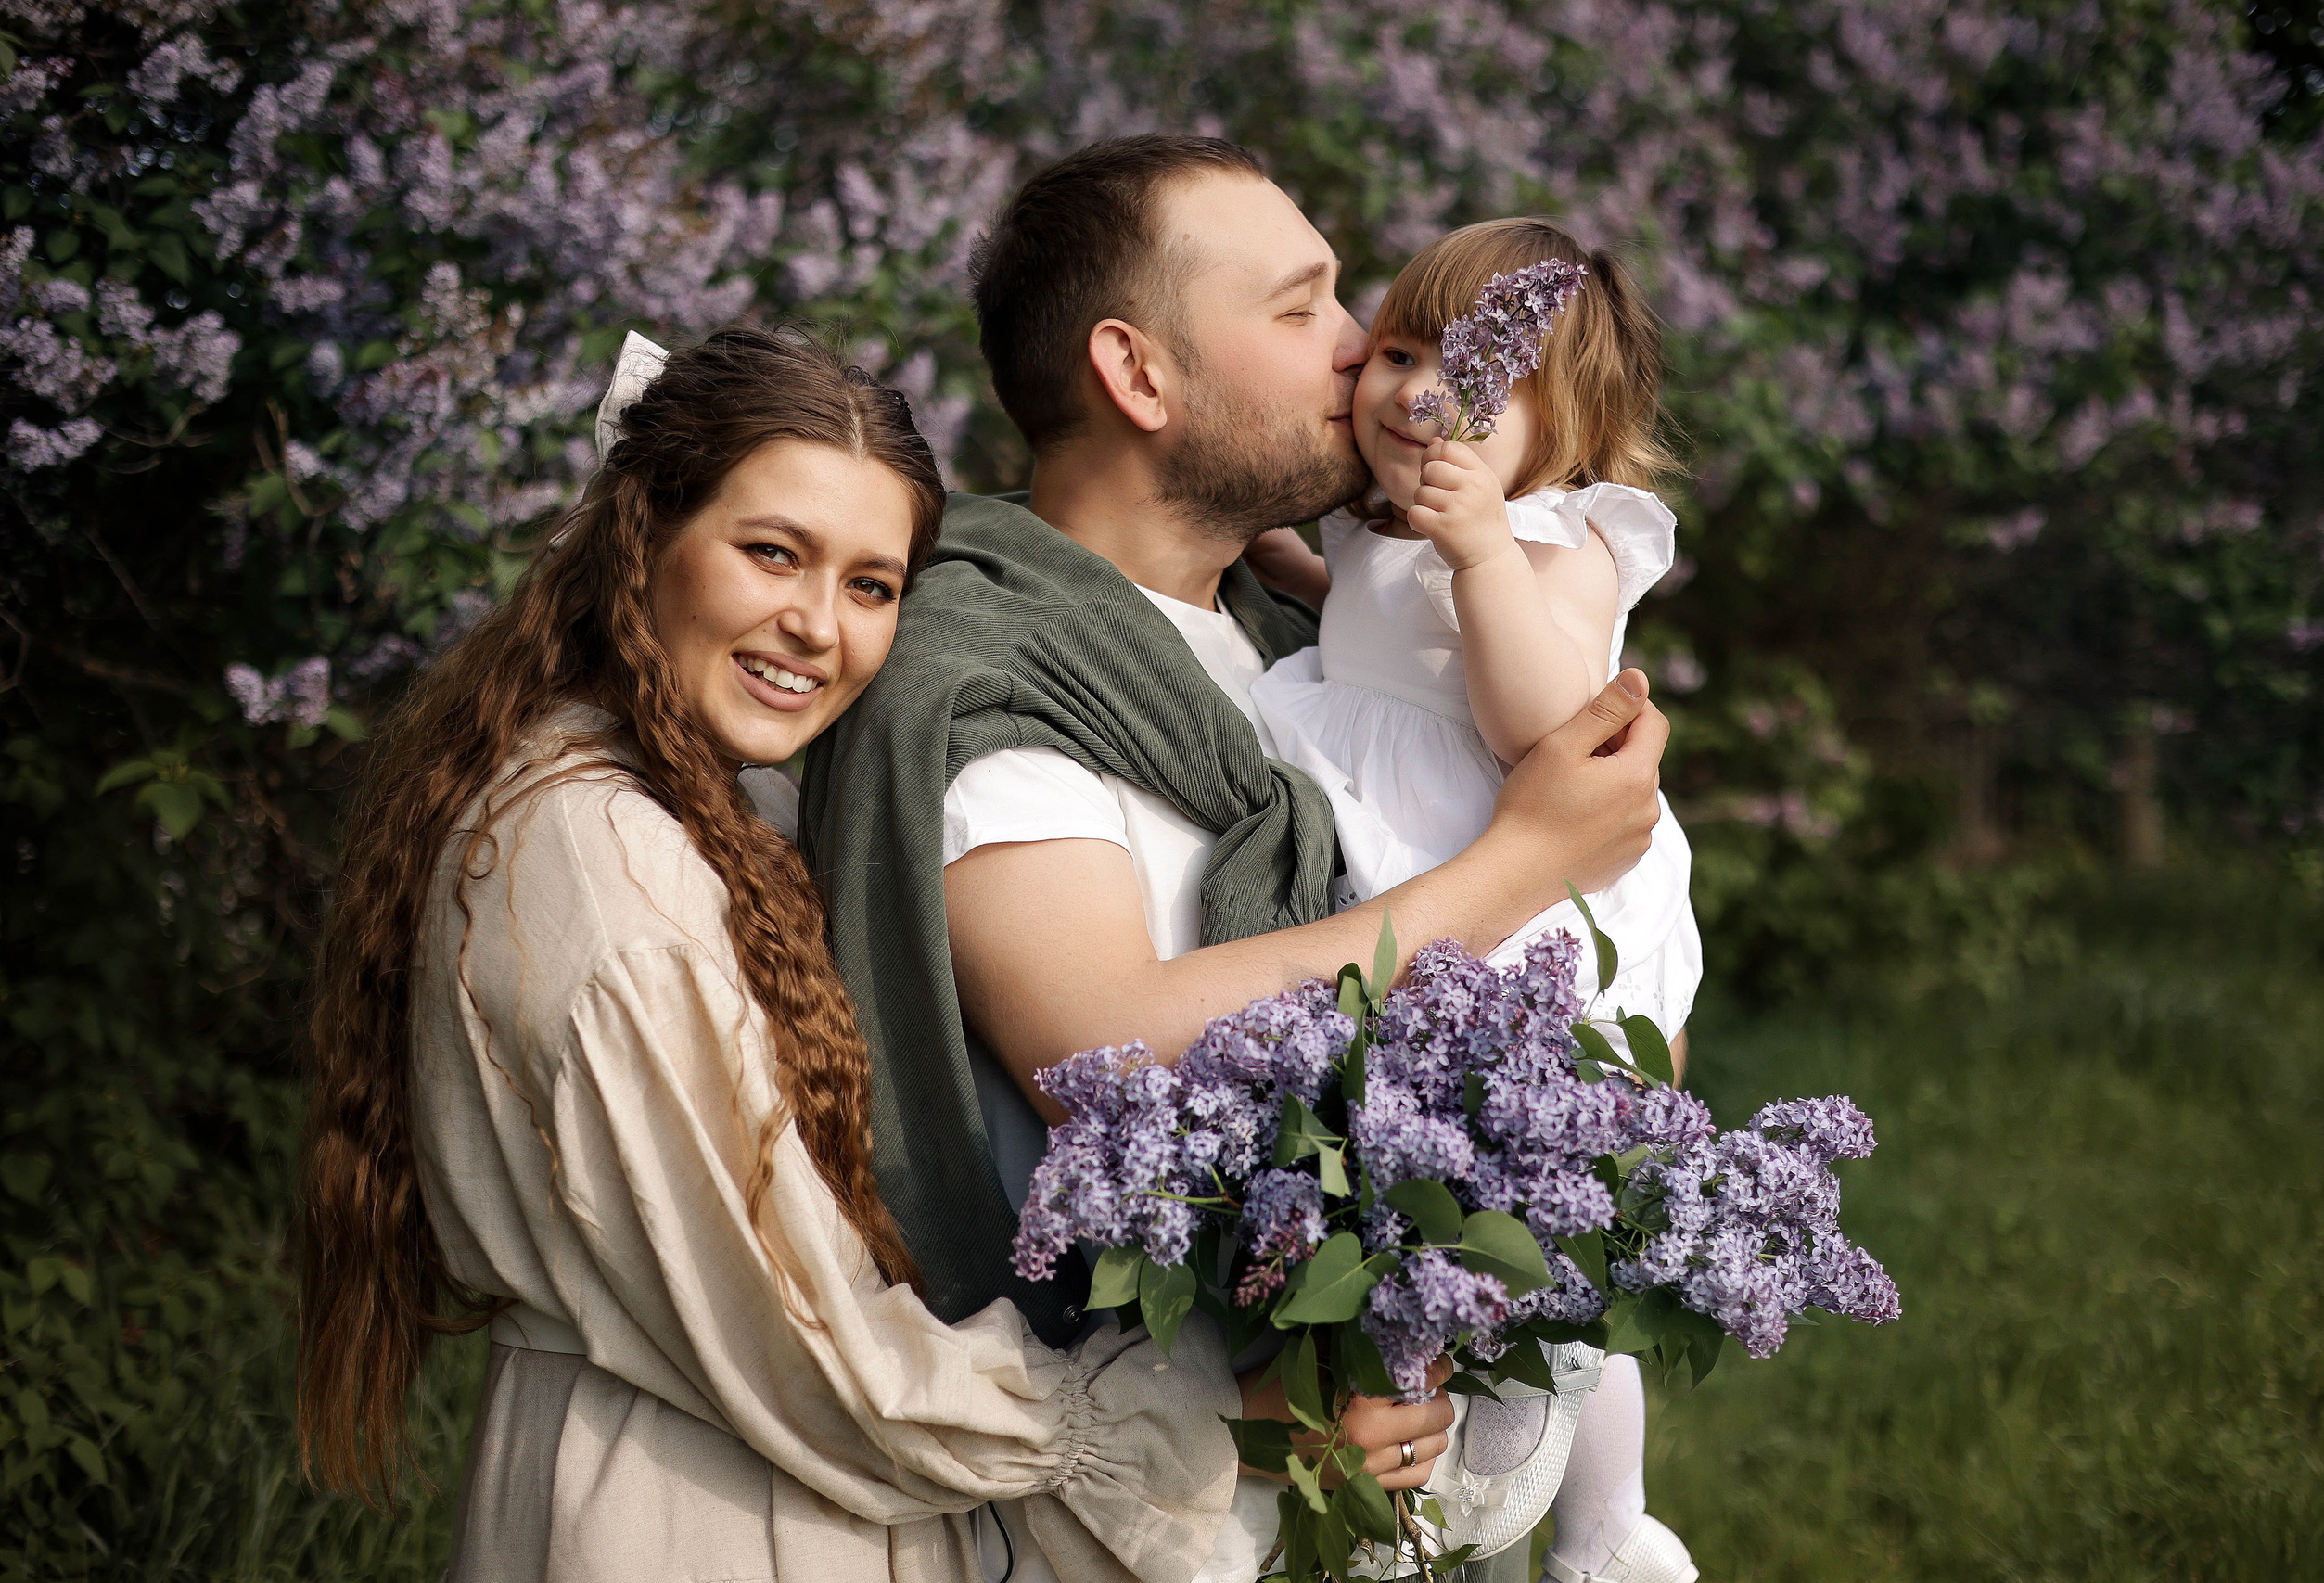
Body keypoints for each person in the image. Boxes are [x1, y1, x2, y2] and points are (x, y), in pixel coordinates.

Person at [295, 325, 1442, 1583]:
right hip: (692, 1518)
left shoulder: (698, 803)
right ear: (646, 542)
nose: (814, 627)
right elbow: (815, 1353)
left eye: (871, 585)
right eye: (773, 553)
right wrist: (1231, 1420)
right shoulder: (605, 864)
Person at [800, 136, 1670, 1582]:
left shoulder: (1292, 645)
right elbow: (1106, 1042)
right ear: (1140, 377)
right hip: (1115, 1486)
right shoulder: (994, 672)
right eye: (1305, 308)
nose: (1363, 354)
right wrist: (1527, 863)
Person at [1245, 218, 1701, 1583]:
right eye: (1397, 351)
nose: (1420, 394)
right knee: (1408, 1195)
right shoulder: (1392, 529)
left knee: (1545, 1231)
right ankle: (1391, 1457)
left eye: (1475, 379)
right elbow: (1394, 647)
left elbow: (1536, 730)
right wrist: (1313, 580)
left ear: (1563, 432)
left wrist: (1486, 555)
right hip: (1404, 854)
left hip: (1509, 889)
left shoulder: (1564, 546)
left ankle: (1603, 1522)